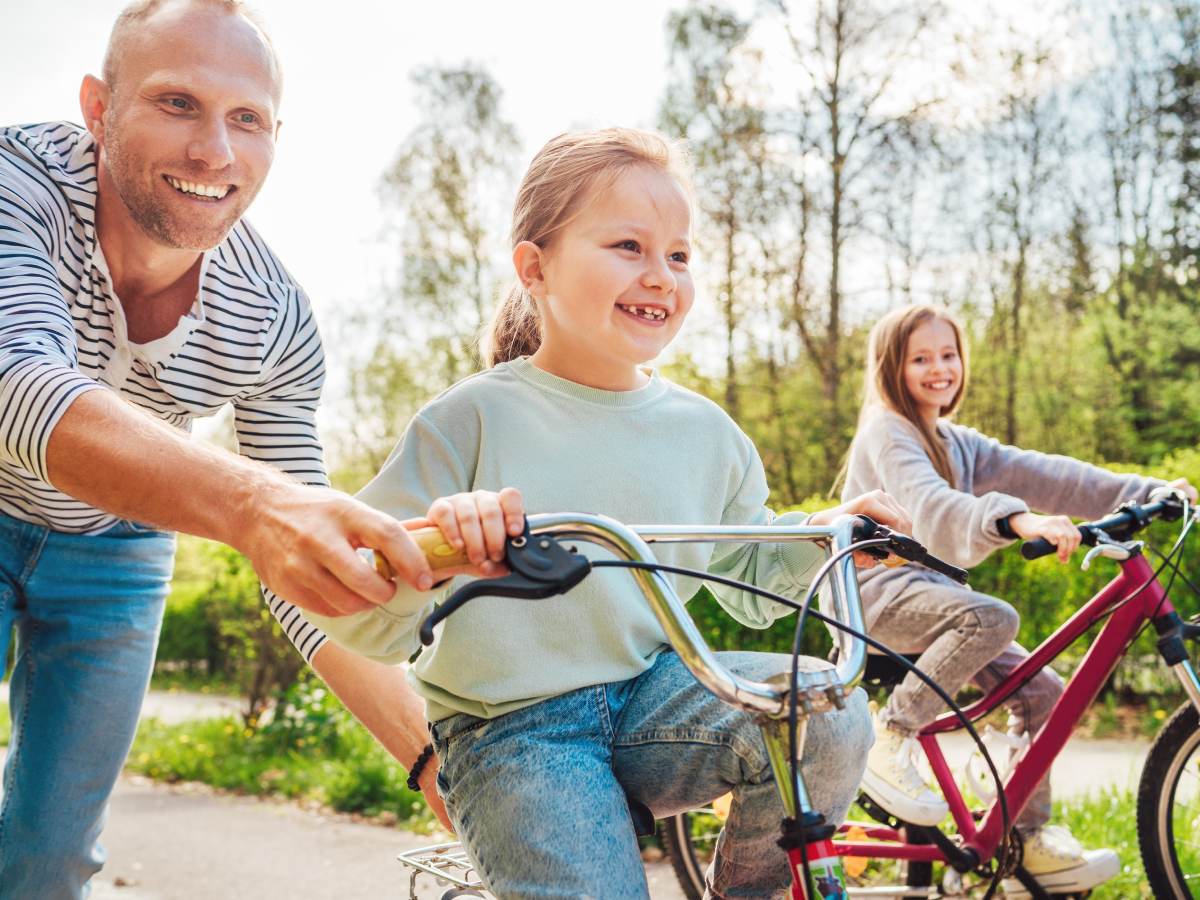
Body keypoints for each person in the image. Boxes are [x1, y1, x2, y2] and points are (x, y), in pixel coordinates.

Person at [309, 127, 914, 899]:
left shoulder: (706, 434)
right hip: (512, 728)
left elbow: (748, 573)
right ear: (535, 267)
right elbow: (359, 610)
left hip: (653, 697)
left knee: (824, 710)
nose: (661, 275)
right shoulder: (471, 418)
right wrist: (437, 547)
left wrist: (832, 533)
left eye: (680, 255)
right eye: (628, 245)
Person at [0, 1, 448, 895]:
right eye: (176, 103)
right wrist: (255, 505)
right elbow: (18, 386)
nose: (215, 151)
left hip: (119, 546)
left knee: (50, 857)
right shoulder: (16, 185)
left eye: (247, 119)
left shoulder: (274, 319)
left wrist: (433, 760)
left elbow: (303, 573)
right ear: (97, 106)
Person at [841, 302, 1196, 896]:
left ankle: (1022, 839)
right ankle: (891, 737)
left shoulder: (956, 441)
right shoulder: (887, 433)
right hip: (872, 597)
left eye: (948, 355)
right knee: (993, 617)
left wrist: (1147, 491)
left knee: (1042, 689)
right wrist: (1018, 521)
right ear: (891, 369)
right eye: (920, 358)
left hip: (929, 598)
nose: (939, 368)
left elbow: (1052, 474)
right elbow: (930, 507)